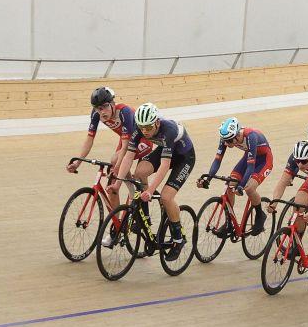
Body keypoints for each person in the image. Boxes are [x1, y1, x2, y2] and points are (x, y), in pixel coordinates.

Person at [118, 102, 194, 258]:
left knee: (166, 197)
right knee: (139, 173)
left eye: (148, 128)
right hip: (166, 150)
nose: (145, 131)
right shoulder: (140, 128)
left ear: (157, 122)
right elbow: (128, 156)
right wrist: (118, 182)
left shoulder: (169, 130)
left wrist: (150, 191)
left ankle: (178, 239)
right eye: (142, 128)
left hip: (184, 158)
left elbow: (165, 166)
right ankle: (144, 217)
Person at [198, 117, 273, 237]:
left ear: (237, 135)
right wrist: (208, 179)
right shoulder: (226, 137)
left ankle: (260, 215)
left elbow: (251, 167)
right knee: (230, 185)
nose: (226, 144)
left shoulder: (251, 136)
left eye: (229, 141)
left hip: (263, 161)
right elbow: (217, 160)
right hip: (248, 158)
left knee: (249, 188)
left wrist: (241, 186)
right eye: (225, 140)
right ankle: (229, 223)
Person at [68, 87, 138, 210]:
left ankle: (133, 192)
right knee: (111, 183)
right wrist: (78, 162)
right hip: (125, 139)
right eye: (98, 108)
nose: (102, 112)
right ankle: (116, 221)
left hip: (141, 139)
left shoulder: (124, 112)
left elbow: (126, 146)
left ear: (113, 103)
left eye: (105, 106)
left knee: (115, 161)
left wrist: (117, 168)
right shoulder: (96, 114)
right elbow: (89, 139)